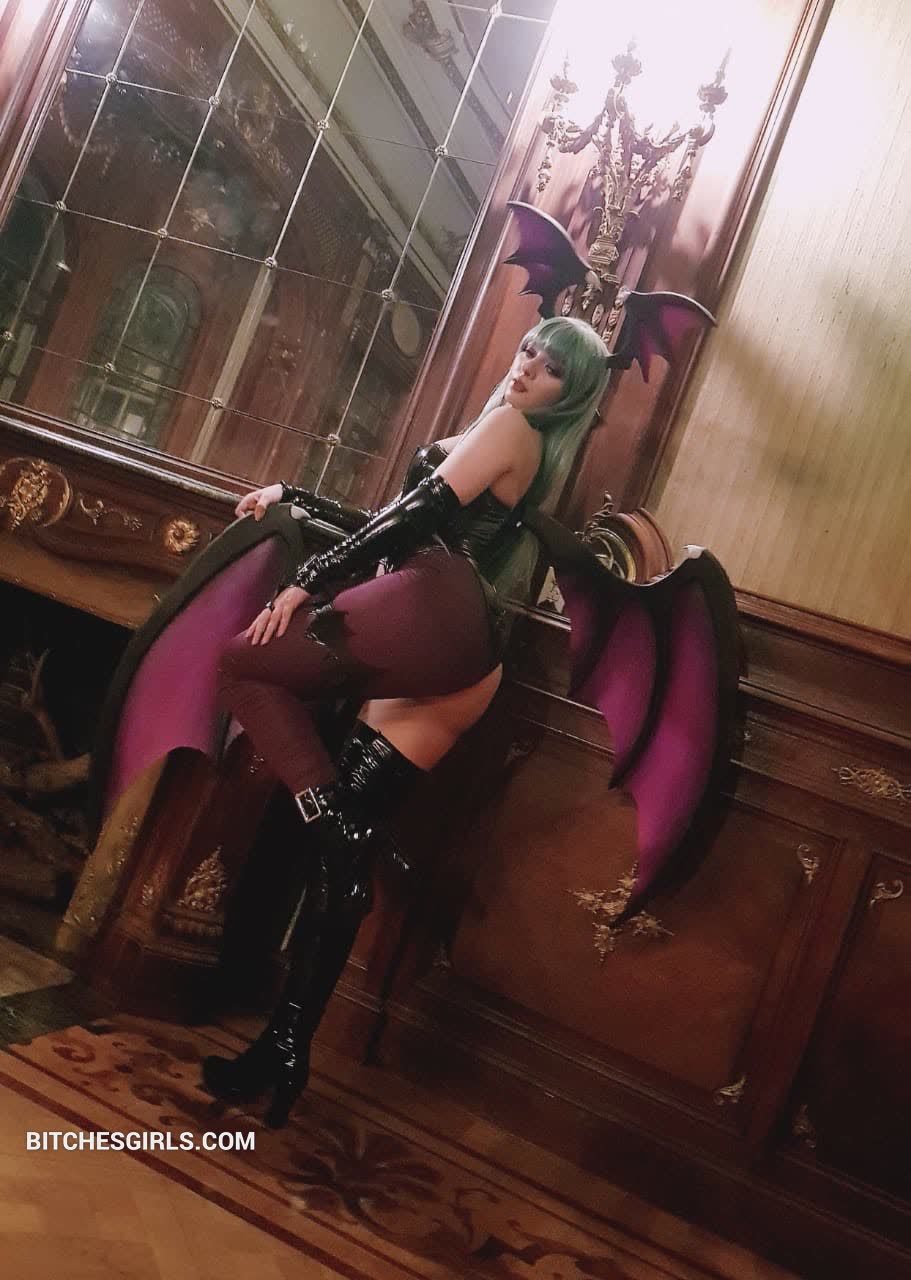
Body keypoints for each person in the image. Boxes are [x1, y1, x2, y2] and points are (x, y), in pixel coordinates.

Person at [201, 315, 611, 1126]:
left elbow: (415, 517)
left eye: (552, 368)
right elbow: (394, 518)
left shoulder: (512, 428)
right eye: (529, 348)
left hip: (432, 610)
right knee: (338, 867)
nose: (529, 366)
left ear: (570, 398)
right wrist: (295, 497)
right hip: (462, 661)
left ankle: (336, 824)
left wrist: (307, 580)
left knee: (239, 667)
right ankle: (284, 1051)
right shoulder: (503, 439)